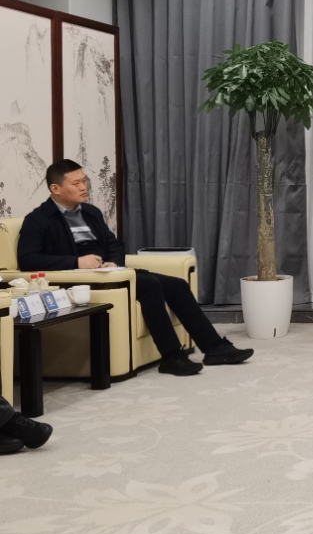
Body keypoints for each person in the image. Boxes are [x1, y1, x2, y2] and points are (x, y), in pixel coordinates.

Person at [17, 160, 253, 377]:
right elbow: (27, 259)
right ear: (56, 189)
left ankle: (214, 348)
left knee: (177, 285)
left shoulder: (90, 213)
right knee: (149, 284)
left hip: (111, 273)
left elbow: (114, 244)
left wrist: (114, 262)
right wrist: (76, 262)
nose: (83, 187)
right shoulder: (38, 220)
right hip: (81, 281)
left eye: (84, 181)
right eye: (76, 183)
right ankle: (171, 356)